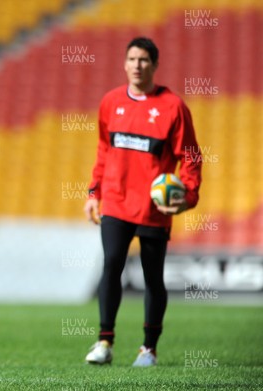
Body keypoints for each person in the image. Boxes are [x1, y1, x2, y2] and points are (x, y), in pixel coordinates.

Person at [83, 37, 202, 367]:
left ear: (155, 65)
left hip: (154, 208)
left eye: (144, 60)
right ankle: (104, 343)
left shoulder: (173, 106)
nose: (137, 65)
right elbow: (103, 150)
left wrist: (187, 197)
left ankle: (148, 348)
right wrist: (94, 193)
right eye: (132, 59)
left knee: (153, 277)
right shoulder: (110, 102)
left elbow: (191, 156)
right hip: (117, 203)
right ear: (124, 63)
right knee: (111, 267)